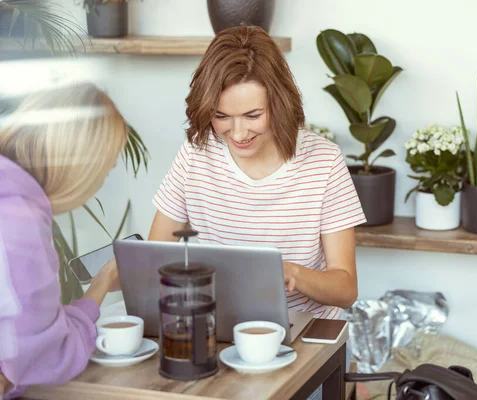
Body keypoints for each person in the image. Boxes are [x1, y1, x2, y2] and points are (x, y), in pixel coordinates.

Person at [149, 25, 366, 321]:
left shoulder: (323, 161)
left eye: (253, 116)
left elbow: (346, 289)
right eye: (221, 116)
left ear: (280, 105)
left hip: (305, 333)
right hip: (222, 327)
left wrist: (292, 273)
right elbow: (153, 261)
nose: (238, 133)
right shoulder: (195, 155)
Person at [0, 83, 127, 398]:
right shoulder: (19, 227)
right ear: (83, 166)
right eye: (105, 171)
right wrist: (100, 286)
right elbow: (49, 354)